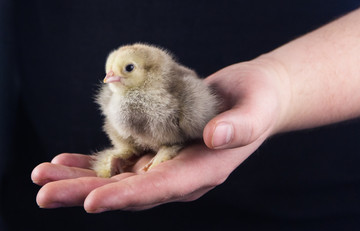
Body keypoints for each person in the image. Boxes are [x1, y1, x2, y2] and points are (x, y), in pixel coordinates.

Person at [31, 7, 360, 213]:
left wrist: (281, 82)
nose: (110, 77)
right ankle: (128, 151)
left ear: (150, 71)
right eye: (111, 70)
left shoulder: (182, 97)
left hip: (300, 210)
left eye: (126, 69)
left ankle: (170, 146)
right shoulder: (114, 95)